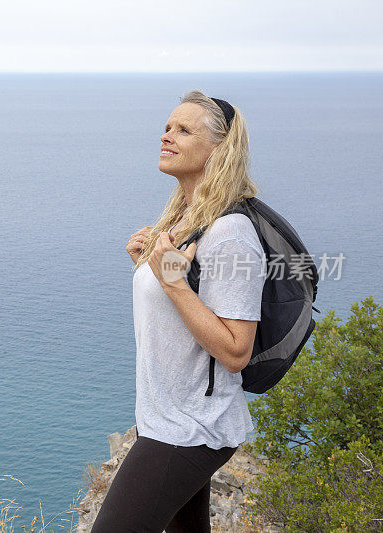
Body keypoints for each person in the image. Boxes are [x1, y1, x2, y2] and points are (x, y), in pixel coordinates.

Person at [90, 90, 267, 533]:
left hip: (190, 429)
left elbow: (235, 350)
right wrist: (152, 274)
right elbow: (187, 302)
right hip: (168, 419)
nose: (166, 136)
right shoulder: (188, 221)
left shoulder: (230, 233)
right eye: (168, 127)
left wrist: (170, 282)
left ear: (218, 151)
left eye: (183, 130)